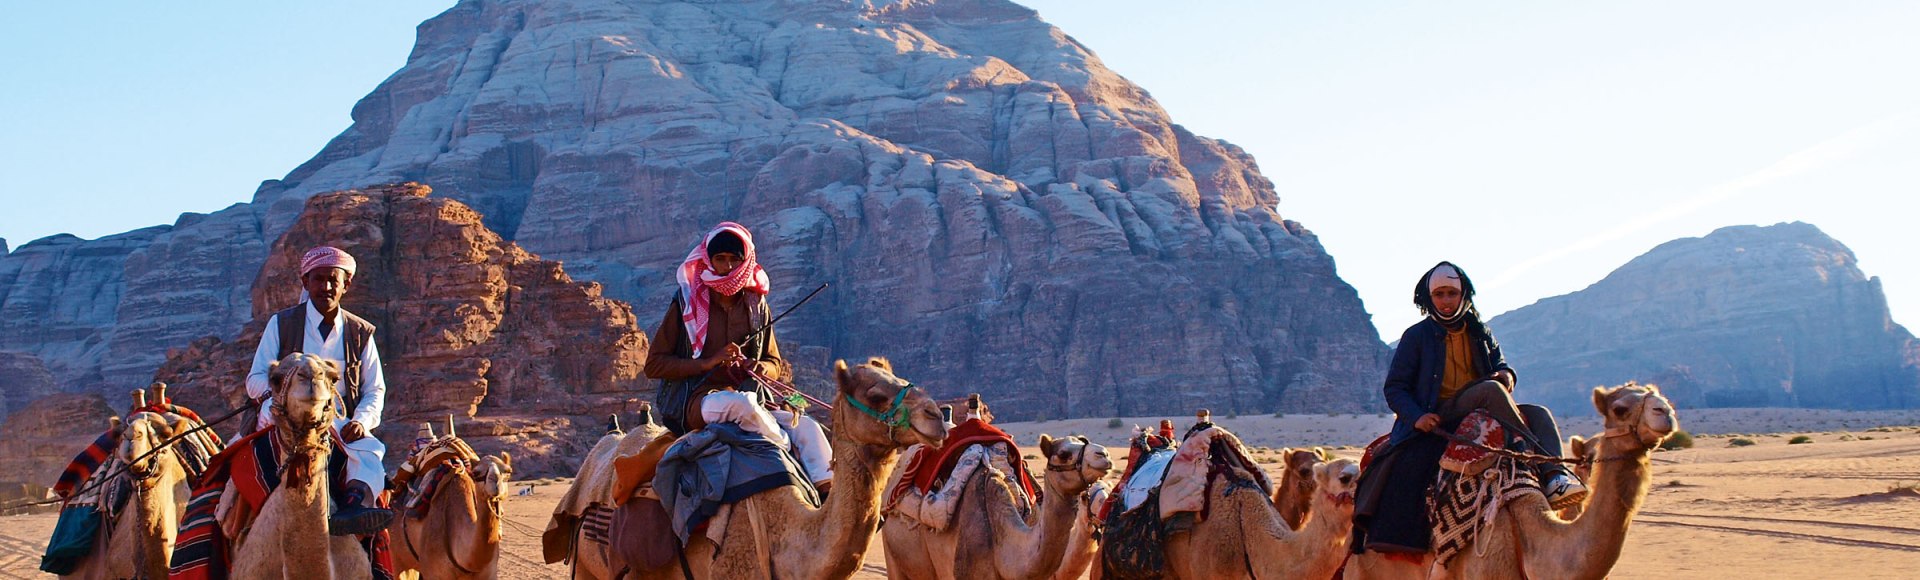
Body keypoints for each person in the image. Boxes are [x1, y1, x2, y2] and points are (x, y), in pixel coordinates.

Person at [1351, 261, 1585, 554]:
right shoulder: (1417, 336)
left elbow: (1501, 365)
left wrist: (1507, 375)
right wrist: (1417, 416)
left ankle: (1556, 476)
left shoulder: (1480, 332)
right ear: (1429, 298)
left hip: (1482, 406)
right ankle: (1535, 459)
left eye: (1452, 293)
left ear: (1463, 295)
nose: (1446, 301)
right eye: (1440, 295)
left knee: (1538, 412)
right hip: (1441, 413)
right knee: (1488, 390)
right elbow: (1395, 388)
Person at [643, 223, 831, 489]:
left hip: (754, 400)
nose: (728, 266)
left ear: (745, 262)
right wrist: (706, 363)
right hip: (699, 400)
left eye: (734, 259)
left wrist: (758, 367)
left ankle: (826, 495)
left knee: (808, 427)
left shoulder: (756, 306)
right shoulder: (687, 302)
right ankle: (783, 448)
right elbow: (654, 365)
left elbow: (774, 363)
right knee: (739, 405)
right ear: (709, 261)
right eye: (720, 259)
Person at [244, 246, 394, 536]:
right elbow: (255, 378)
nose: (325, 286)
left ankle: (352, 507)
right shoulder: (282, 323)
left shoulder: (360, 332)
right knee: (225, 476)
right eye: (318, 279)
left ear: (345, 285)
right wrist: (282, 395)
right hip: (285, 417)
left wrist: (361, 421)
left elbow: (375, 389)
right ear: (306, 282)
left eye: (333, 280)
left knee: (370, 452)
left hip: (337, 422)